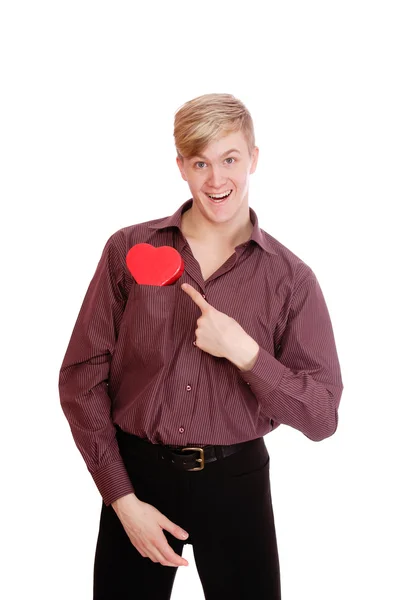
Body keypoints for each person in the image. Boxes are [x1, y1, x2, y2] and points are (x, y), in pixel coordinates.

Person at [58, 92, 344, 599]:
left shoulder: (291, 279)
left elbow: (321, 417)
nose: (216, 180)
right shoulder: (128, 249)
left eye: (230, 159)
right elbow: (82, 376)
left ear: (253, 158)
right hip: (137, 477)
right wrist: (122, 499)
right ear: (181, 167)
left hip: (237, 481)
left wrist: (249, 355)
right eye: (200, 163)